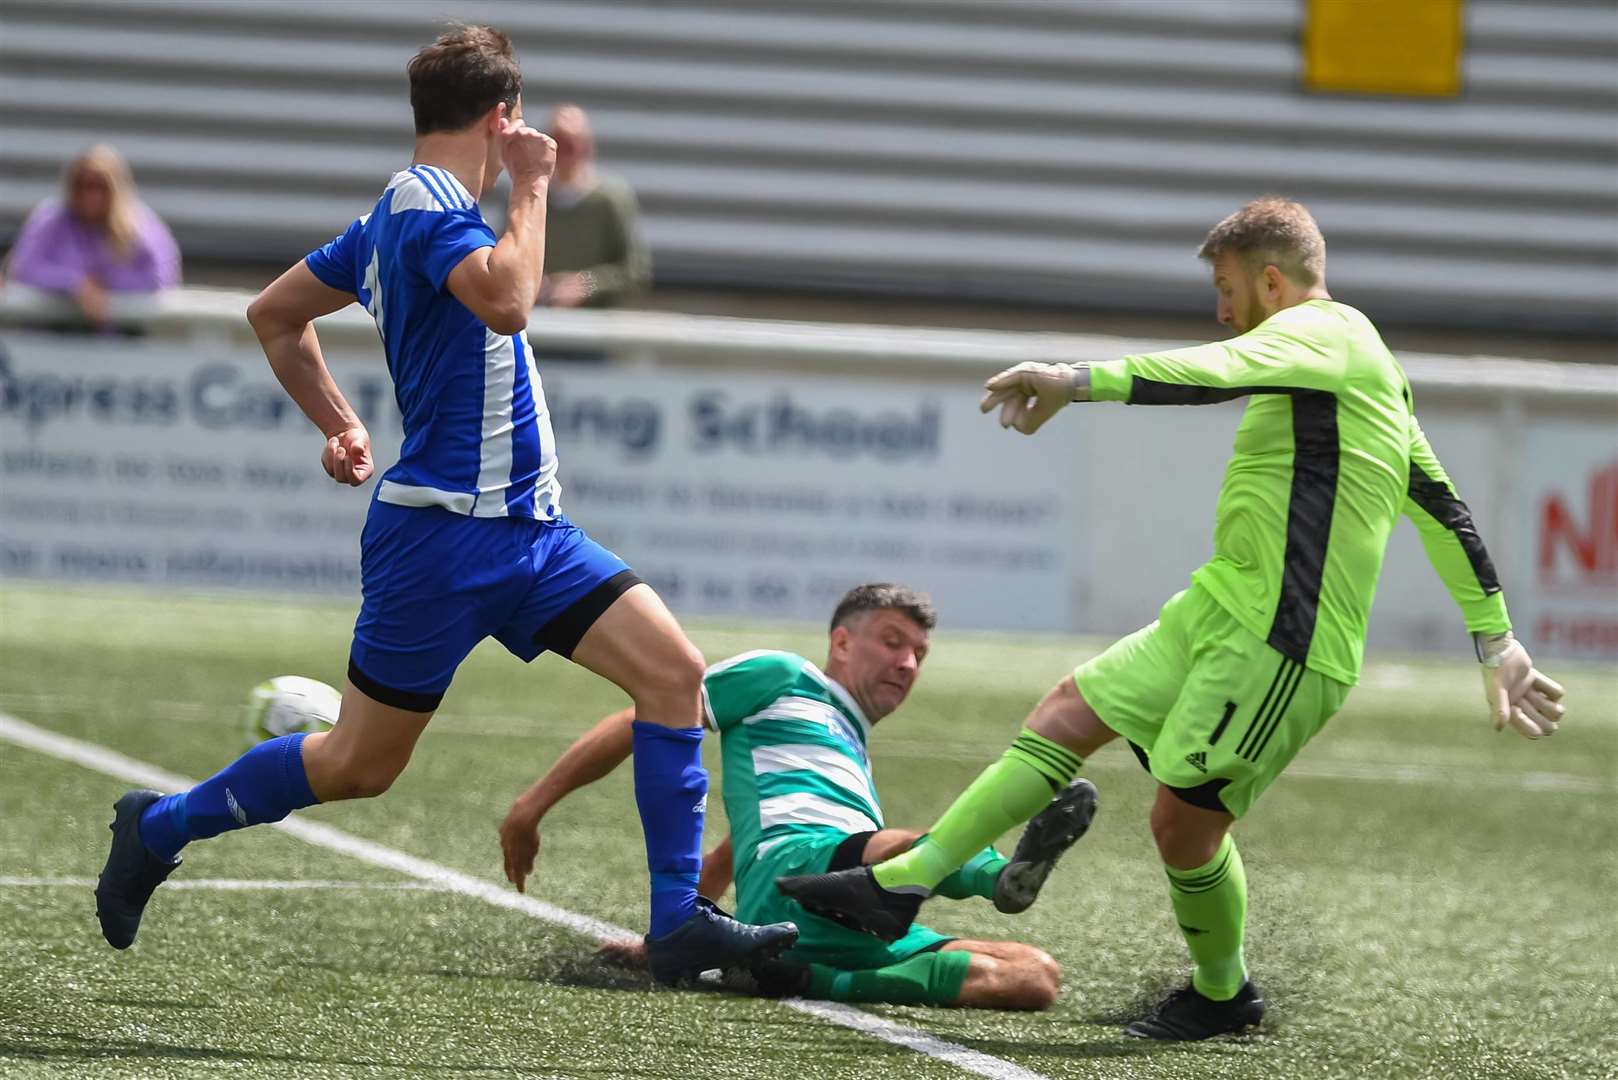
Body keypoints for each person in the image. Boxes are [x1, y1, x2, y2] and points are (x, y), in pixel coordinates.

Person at [91, 24, 795, 985]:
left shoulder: (398, 211)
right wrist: (535, 183)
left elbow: (272, 313)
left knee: (675, 675)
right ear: (504, 116)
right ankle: (159, 824)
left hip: (530, 535)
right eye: (520, 121)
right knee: (356, 766)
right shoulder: (428, 211)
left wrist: (338, 423)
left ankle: (676, 923)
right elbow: (508, 302)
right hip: (441, 543)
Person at [777, 198, 1568, 1039]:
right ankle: (903, 883)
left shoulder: (1327, 335)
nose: (1222, 311)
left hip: (1282, 644)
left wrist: (1074, 381)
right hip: (1216, 610)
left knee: (1182, 829)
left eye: (1229, 289)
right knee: (1067, 711)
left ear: (1272, 279)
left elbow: (1216, 375)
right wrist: (1498, 639)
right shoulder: (1348, 367)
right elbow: (1444, 507)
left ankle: (1223, 994)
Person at [499, 584, 1096, 1010]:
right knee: (911, 847)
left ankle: (805, 977)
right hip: (802, 870)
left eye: (918, 654)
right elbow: (642, 720)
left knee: (1033, 977)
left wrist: (668, 939)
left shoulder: (852, 741)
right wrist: (532, 807)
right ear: (841, 641)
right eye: (892, 642)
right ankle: (1000, 879)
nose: (907, 663)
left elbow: (731, 849)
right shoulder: (783, 676)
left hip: (851, 909)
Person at [3, 145, 181, 329]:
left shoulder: (141, 225)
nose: (90, 196)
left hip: (121, 337)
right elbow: (24, 268)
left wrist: (106, 284)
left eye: (100, 187)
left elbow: (160, 279)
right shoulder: (51, 221)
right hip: (55, 333)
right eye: (82, 186)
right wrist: (76, 284)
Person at [536, 104, 650, 309]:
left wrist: (586, 284)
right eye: (559, 143)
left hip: (597, 327)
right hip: (540, 320)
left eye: (572, 145)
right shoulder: (531, 197)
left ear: (588, 147)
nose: (566, 154)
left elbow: (634, 270)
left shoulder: (611, 199)